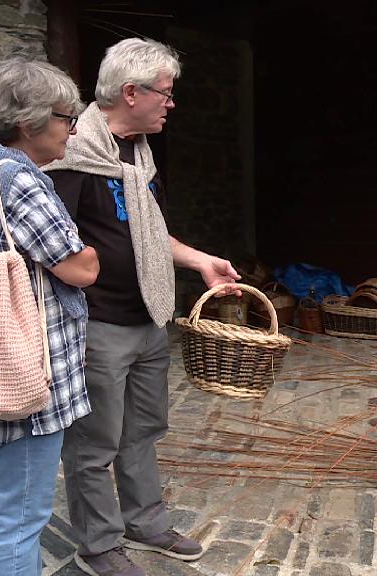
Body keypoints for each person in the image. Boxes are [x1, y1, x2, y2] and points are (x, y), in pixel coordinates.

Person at [45, 38, 239, 576]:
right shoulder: (72, 155)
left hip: (148, 319)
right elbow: (51, 247)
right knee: (94, 443)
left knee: (144, 430)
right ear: (131, 93)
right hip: (98, 326)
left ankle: (145, 521)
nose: (171, 103)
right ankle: (99, 543)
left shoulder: (140, 154)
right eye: (165, 93)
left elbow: (150, 234)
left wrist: (200, 261)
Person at [0, 59, 99, 575]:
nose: (72, 128)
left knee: (10, 501)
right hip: (28, 373)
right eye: (65, 116)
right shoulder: (22, 182)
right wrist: (92, 253)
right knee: (22, 513)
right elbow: (79, 268)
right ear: (29, 123)